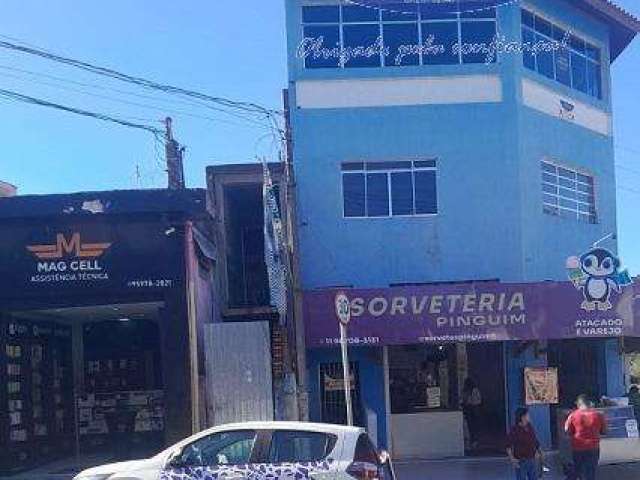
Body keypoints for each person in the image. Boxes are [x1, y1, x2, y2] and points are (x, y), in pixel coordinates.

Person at [564, 394, 607, 480]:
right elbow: (604, 431)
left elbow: (567, 430)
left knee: (577, 469)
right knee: (591, 472)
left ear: (578, 404)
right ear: (589, 403)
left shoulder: (573, 415)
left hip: (578, 447)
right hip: (593, 448)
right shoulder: (598, 415)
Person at [507, 407, 543, 480]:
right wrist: (512, 459)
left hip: (532, 459)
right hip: (521, 461)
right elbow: (508, 446)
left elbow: (534, 440)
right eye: (527, 415)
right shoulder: (515, 430)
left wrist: (540, 451)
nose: (529, 416)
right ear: (522, 417)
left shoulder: (529, 427)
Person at [462, 378, 482, 449]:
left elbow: (478, 400)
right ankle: (473, 442)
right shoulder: (466, 391)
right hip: (470, 409)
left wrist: (471, 402)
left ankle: (474, 442)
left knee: (474, 426)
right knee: (471, 426)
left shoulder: (474, 390)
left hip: (473, 408)